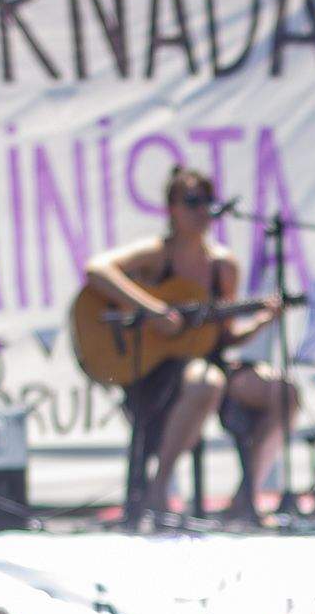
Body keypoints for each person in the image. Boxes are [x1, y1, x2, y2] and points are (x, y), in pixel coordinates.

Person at [83, 165, 300, 525]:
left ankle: (246, 496)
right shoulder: (157, 254)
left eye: (207, 202)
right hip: (163, 369)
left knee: (284, 392)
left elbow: (225, 335)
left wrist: (261, 323)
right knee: (206, 382)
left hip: (211, 360)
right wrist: (152, 311)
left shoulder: (223, 266)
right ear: (172, 209)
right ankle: (159, 486)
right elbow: (97, 269)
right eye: (192, 202)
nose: (202, 211)